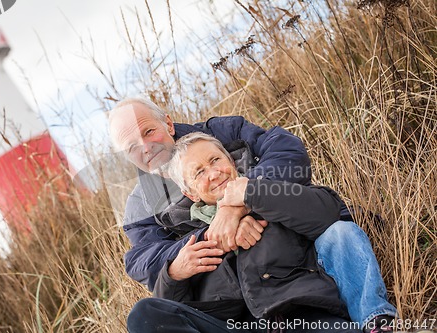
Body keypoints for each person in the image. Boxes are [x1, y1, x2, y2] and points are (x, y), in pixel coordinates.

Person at [107, 97, 397, 331]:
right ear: (190, 194)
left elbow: (287, 152)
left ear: (167, 123)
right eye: (132, 146)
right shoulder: (141, 205)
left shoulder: (222, 133)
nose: (147, 148)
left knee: (338, 232)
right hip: (231, 306)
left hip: (289, 278)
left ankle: (375, 322)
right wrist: (208, 239)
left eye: (149, 132)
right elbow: (144, 261)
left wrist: (238, 202)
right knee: (146, 314)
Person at [128, 132, 358, 333]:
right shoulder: (193, 240)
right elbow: (173, 317)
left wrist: (248, 201)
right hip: (235, 326)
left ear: (231, 162)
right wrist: (174, 275)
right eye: (199, 172)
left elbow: (330, 213)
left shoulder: (271, 194)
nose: (214, 173)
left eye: (215, 160)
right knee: (144, 313)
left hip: (302, 317)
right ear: (191, 195)